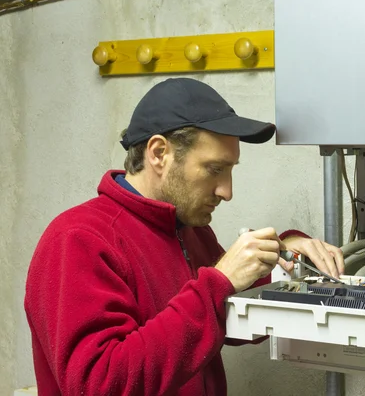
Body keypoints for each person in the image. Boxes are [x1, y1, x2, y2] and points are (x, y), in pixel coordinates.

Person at [24, 78, 345, 396]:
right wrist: (217, 283)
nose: (227, 191)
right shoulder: (79, 239)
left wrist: (283, 260)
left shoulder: (188, 229)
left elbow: (219, 318)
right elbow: (101, 383)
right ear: (159, 153)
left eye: (230, 170)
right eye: (214, 169)